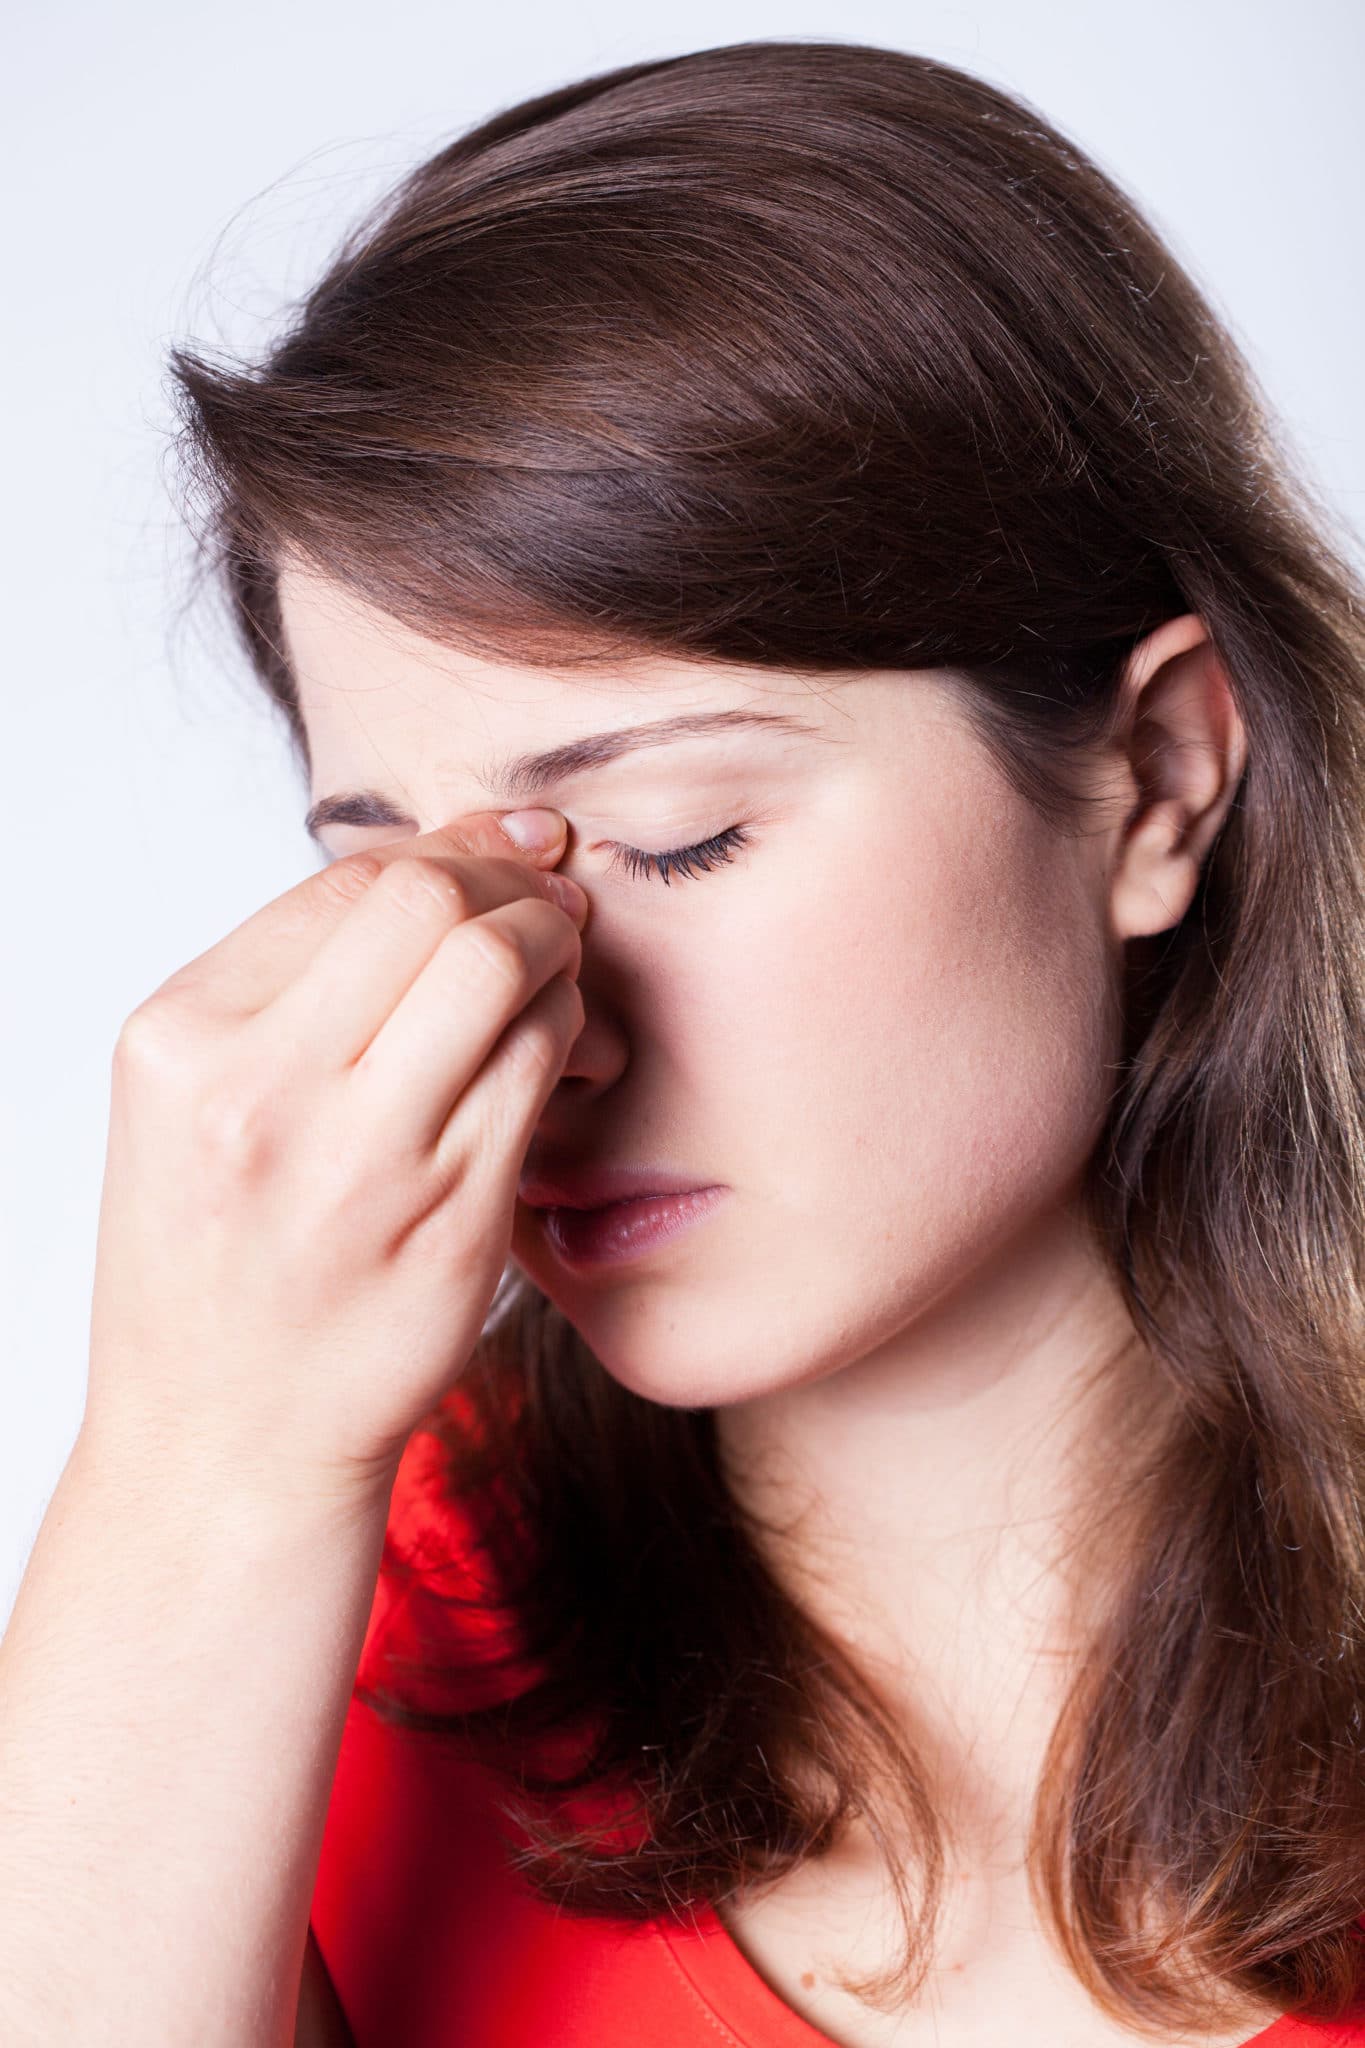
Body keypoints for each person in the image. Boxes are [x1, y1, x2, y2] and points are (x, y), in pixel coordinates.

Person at [3, 36, 1363, 2048]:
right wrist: (196, 1465)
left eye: (674, 836)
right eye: (404, 874)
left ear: (1156, 777)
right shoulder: (303, 1599)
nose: (531, 1024)